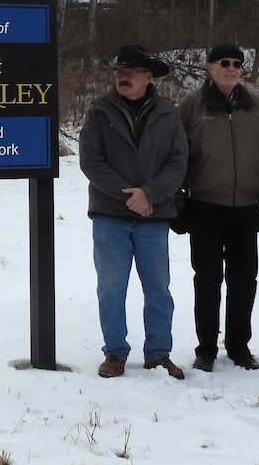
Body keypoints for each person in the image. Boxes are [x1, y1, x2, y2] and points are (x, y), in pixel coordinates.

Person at [79, 44, 189, 379]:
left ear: (148, 76)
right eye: (119, 73)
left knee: (158, 288)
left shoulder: (169, 112)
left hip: (154, 215)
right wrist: (129, 196)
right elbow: (91, 161)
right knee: (111, 288)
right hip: (110, 215)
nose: (123, 78)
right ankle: (114, 353)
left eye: (130, 72)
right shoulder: (99, 110)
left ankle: (158, 354)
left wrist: (150, 194)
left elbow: (178, 160)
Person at [176, 42, 259, 373]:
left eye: (237, 63)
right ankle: (206, 348)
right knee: (207, 278)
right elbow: (176, 156)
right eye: (224, 62)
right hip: (205, 204)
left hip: (247, 206)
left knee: (244, 279)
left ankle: (238, 346)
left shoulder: (256, 109)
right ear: (210, 67)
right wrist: (178, 202)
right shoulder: (191, 106)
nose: (232, 68)